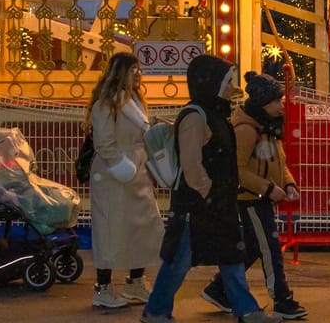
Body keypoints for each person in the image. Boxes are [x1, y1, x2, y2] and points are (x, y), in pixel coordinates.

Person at [141, 54, 280, 323]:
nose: (231, 88)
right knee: (180, 260)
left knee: (230, 255)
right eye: (226, 82)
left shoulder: (214, 114)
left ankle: (247, 310)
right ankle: (156, 311)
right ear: (211, 83)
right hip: (196, 204)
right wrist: (210, 193)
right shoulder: (196, 117)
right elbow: (191, 165)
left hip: (214, 201)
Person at [204, 72, 305, 319]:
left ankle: (218, 289)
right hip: (250, 199)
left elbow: (278, 162)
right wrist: (268, 188)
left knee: (252, 247)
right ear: (263, 103)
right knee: (270, 248)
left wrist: (288, 183)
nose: (281, 105)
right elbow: (236, 170)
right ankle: (281, 299)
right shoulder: (248, 130)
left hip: (257, 196)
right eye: (276, 101)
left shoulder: (265, 126)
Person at [87, 52, 161, 310]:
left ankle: (135, 282)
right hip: (113, 175)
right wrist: (122, 166)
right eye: (133, 70)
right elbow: (104, 142)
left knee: (141, 228)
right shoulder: (105, 104)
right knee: (111, 229)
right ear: (121, 72)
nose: (138, 75)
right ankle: (103, 287)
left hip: (136, 173)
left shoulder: (135, 100)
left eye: (139, 70)